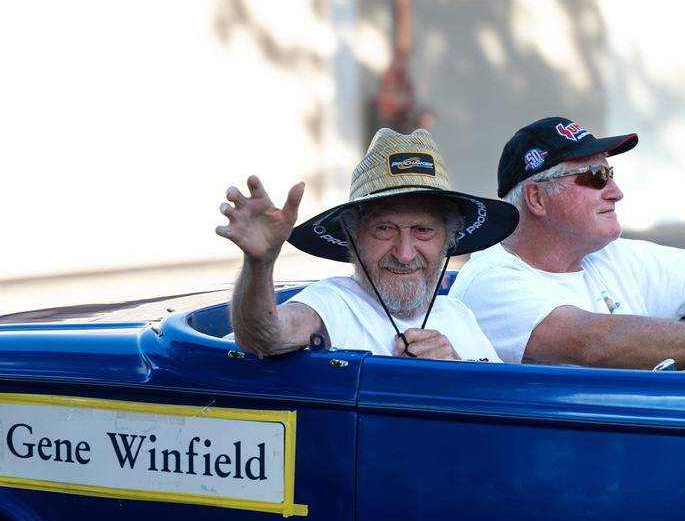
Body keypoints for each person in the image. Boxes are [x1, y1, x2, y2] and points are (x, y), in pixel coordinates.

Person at [449, 116, 685, 369]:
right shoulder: (491, 279)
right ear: (537, 198)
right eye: (595, 176)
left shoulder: (605, 255)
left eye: (611, 173)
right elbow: (595, 343)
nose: (616, 191)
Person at [218, 128, 519, 360]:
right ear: (352, 238)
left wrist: (455, 368)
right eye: (384, 229)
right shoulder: (333, 303)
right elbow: (264, 336)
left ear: (449, 240)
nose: (404, 253)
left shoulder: (459, 315)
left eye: (423, 230)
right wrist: (260, 264)